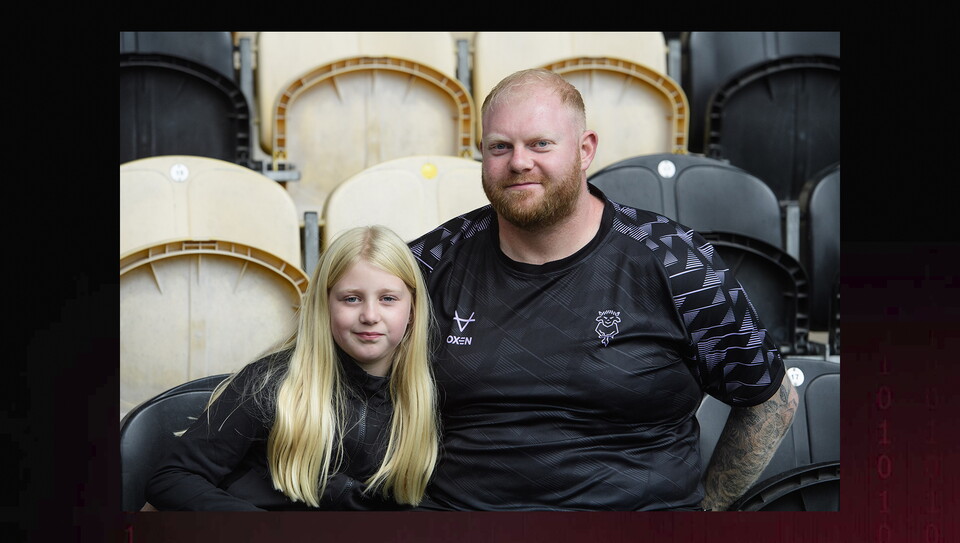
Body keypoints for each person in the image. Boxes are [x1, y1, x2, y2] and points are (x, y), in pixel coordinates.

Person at [407, 69, 799, 511]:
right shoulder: (429, 263)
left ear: (585, 149)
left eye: (540, 144)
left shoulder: (675, 259)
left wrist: (708, 510)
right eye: (500, 146)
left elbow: (772, 400)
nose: (519, 162)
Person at [145, 225, 440, 511]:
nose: (370, 315)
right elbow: (173, 479)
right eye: (351, 299)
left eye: (388, 299)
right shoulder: (268, 383)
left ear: (412, 309)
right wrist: (267, 531)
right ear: (324, 305)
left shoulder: (434, 394)